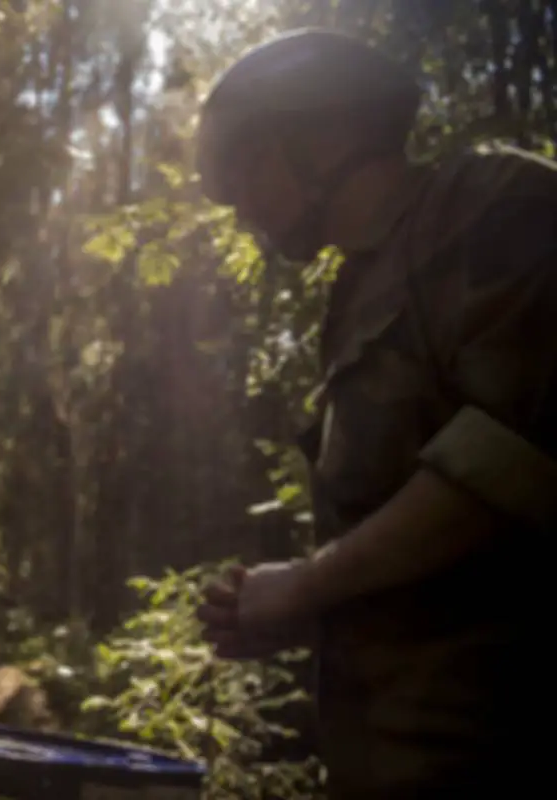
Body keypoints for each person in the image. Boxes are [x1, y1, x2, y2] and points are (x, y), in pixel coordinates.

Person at [193, 27, 549, 799]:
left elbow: (509, 459)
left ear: (321, 136)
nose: (241, 205)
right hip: (385, 758)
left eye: (249, 165)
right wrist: (296, 613)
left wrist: (306, 586)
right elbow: (398, 546)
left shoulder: (495, 202)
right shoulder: (354, 294)